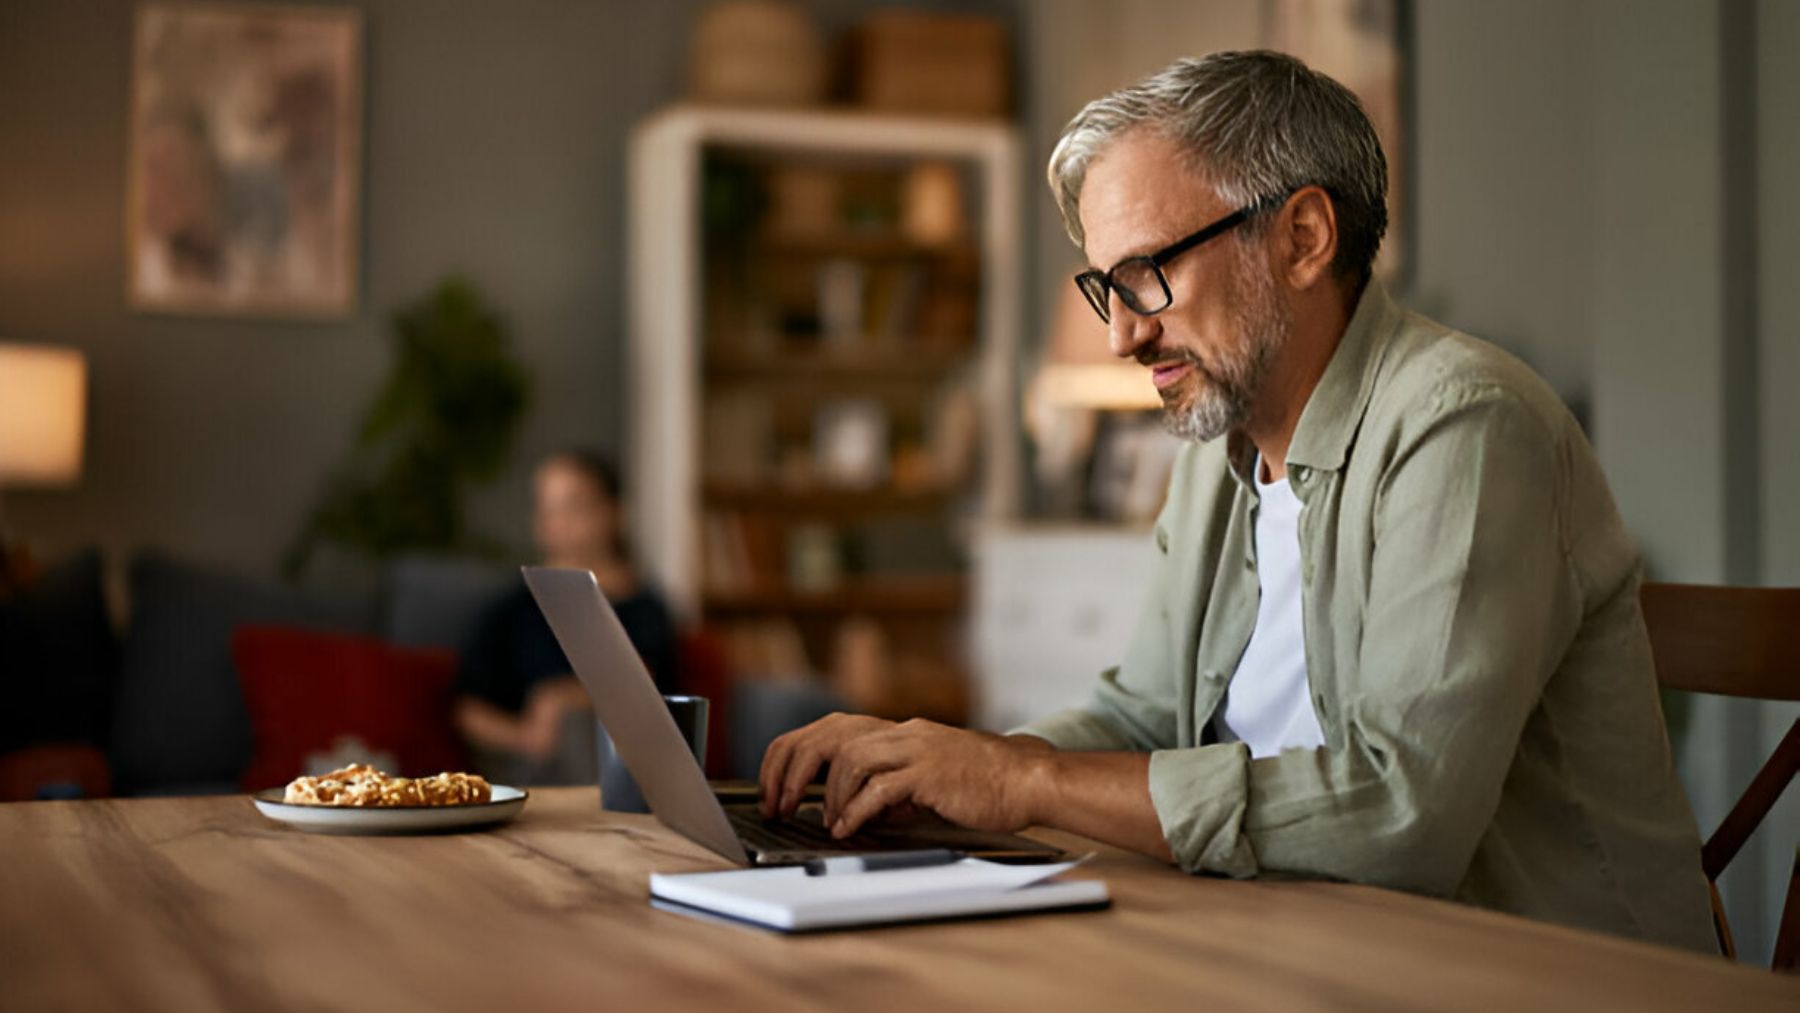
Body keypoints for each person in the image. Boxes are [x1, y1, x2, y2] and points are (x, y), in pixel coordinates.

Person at [757, 51, 1716, 952]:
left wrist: (1026, 780)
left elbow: (1400, 815)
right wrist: (943, 772)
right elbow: (1142, 718)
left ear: (1302, 237)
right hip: (1305, 946)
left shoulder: (1464, 425)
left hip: (1542, 972)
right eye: (1107, 287)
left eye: (1147, 275)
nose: (1122, 336)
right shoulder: (1221, 453)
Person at [455, 450, 679, 781]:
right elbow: (469, 706)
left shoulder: (640, 604)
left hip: (622, 757)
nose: (556, 521)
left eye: (573, 506)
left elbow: (641, 679)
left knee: (581, 724)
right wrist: (524, 737)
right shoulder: (512, 608)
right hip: (530, 765)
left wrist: (561, 699)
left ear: (613, 512)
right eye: (547, 507)